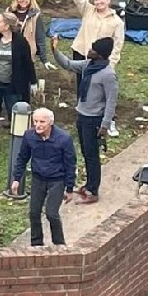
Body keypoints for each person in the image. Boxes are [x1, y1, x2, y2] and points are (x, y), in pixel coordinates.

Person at [50, 35, 118, 205]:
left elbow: (111, 101)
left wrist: (105, 125)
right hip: (82, 115)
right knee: (86, 152)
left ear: (100, 54)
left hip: (93, 120)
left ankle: (93, 190)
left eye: (93, 49)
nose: (89, 50)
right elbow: (68, 64)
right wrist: (54, 50)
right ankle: (89, 184)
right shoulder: (89, 65)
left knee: (92, 154)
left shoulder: (108, 75)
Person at [69, 0, 124, 135]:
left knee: (101, 91)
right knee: (82, 88)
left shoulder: (116, 22)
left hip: (101, 61)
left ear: (108, 0)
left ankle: (106, 122)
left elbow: (117, 45)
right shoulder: (88, 10)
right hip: (82, 54)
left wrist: (112, 64)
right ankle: (82, 119)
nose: (98, 2)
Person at [11, 107, 77, 246]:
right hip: (38, 178)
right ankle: (36, 244)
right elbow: (22, 158)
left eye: (42, 121)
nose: (38, 125)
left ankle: (59, 245)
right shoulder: (29, 136)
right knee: (34, 213)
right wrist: (16, 179)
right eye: (35, 121)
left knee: (51, 214)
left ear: (50, 123)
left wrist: (69, 188)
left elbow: (70, 164)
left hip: (57, 180)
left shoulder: (64, 139)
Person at [0, 12, 37, 151]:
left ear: (7, 25)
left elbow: (28, 63)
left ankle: (18, 141)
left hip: (13, 86)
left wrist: (33, 82)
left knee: (14, 113)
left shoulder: (20, 42)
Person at [6, 0, 56, 70]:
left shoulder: (35, 16)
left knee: (25, 80)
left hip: (27, 55)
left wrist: (44, 60)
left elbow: (40, 39)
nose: (23, 0)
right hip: (8, 52)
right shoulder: (9, 12)